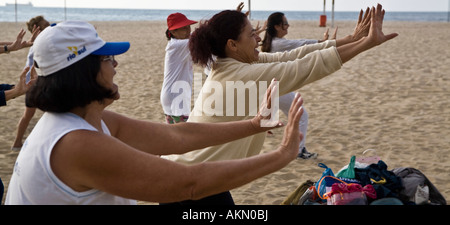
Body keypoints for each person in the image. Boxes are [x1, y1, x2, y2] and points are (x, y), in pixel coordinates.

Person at [5, 21, 306, 205]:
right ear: (82, 72)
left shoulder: (84, 120)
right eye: (108, 57)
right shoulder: (75, 144)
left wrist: (253, 125)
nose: (116, 65)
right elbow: (189, 184)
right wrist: (282, 155)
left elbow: (177, 136)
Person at [162, 4, 398, 205]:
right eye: (251, 34)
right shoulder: (242, 74)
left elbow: (294, 55)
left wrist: (351, 39)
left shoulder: (230, 63)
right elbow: (305, 67)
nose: (258, 38)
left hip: (202, 178)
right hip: (190, 185)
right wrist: (365, 44)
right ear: (232, 44)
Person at [261, 12, 337, 159]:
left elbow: (299, 46)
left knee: (295, 112)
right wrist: (322, 42)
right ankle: (298, 151)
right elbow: (300, 44)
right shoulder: (278, 43)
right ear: (277, 26)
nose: (288, 25)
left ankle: (293, 146)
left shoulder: (272, 43)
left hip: (275, 88)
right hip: (276, 89)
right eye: (285, 23)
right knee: (301, 115)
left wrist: (321, 42)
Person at [11, 16, 51, 151]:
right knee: (33, 114)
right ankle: (18, 143)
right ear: (36, 30)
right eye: (46, 25)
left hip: (34, 83)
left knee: (29, 114)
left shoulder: (41, 42)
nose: (50, 26)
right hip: (33, 84)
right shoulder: (39, 45)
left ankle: (17, 143)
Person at [160, 13, 198, 124]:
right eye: (184, 28)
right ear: (173, 32)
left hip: (171, 96)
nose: (188, 31)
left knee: (173, 136)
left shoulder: (177, 43)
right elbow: (202, 38)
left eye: (188, 27)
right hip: (177, 97)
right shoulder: (178, 45)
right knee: (183, 137)